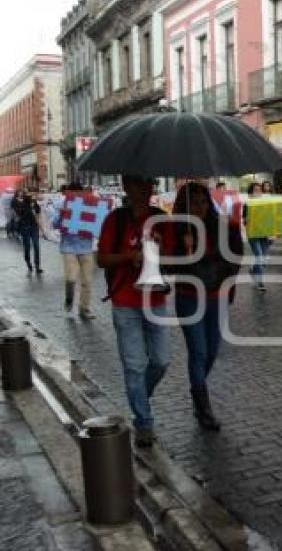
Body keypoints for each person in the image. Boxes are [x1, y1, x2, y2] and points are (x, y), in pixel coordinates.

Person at [97, 176, 170, 448]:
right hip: (125, 303)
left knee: (161, 361)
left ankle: (139, 396)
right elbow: (101, 259)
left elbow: (176, 259)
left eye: (148, 184)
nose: (145, 189)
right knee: (134, 365)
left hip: (157, 301)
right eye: (139, 184)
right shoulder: (115, 220)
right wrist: (131, 257)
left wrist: (181, 247)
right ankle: (143, 422)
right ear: (127, 186)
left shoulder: (162, 219)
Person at [168, 182, 243, 431]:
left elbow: (235, 256)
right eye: (193, 203)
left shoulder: (222, 227)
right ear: (183, 206)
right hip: (188, 297)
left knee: (212, 351)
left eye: (202, 202)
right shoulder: (176, 231)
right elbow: (166, 267)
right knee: (198, 352)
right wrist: (184, 250)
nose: (198, 208)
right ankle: (203, 408)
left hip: (217, 296)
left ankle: (196, 390)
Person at [54, 182, 96, 319]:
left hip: (86, 247)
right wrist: (62, 215)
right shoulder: (63, 205)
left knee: (87, 281)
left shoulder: (90, 204)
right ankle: (69, 298)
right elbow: (55, 224)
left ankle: (84, 309)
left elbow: (97, 224)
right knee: (71, 277)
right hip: (69, 247)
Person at [245, 182, 272, 291]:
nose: (258, 192)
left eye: (259, 190)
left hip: (264, 235)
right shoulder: (247, 204)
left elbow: (271, 219)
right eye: (255, 190)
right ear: (251, 192)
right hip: (253, 234)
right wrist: (249, 219)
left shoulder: (266, 203)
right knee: (260, 258)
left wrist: (272, 233)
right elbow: (244, 221)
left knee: (262, 259)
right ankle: (260, 282)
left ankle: (253, 270)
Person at [13, 191, 43, 274]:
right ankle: (28, 263)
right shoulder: (22, 205)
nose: (34, 197)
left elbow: (38, 215)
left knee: (36, 246)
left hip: (34, 228)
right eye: (32, 196)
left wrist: (34, 208)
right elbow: (20, 216)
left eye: (34, 196)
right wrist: (29, 209)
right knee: (27, 247)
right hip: (25, 228)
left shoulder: (36, 205)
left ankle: (37, 266)